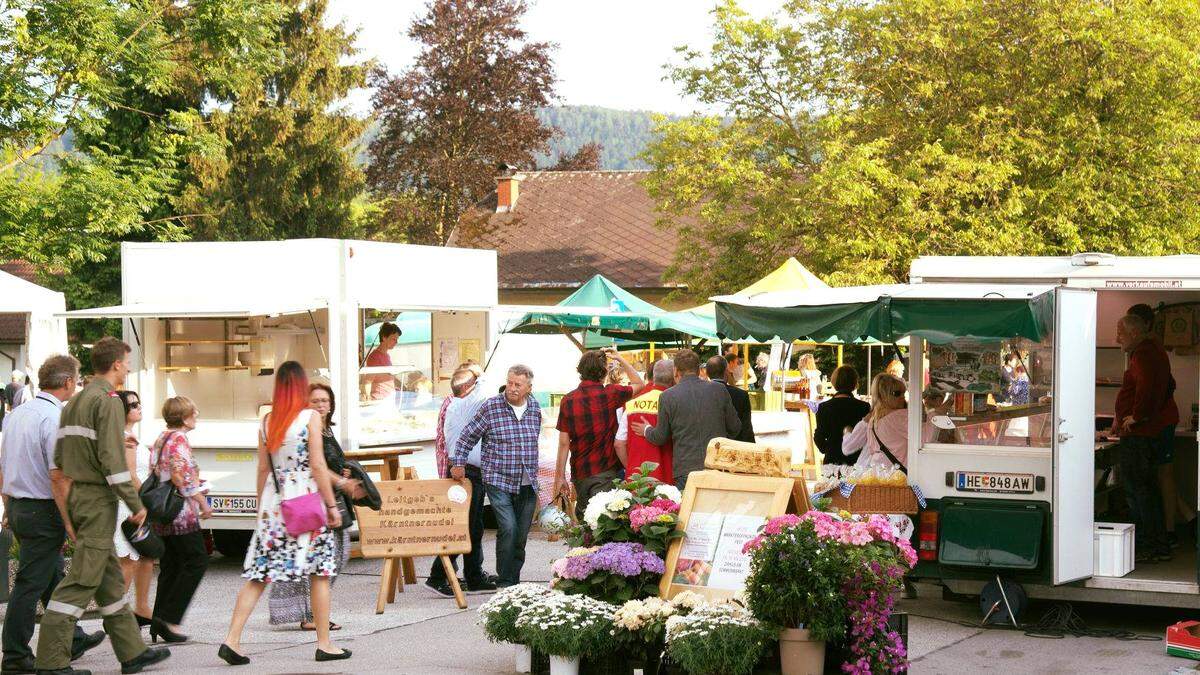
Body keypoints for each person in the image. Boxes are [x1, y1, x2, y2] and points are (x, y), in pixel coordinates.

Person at [35, 337, 171, 674]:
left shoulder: (74, 403)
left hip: (81, 496)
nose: (128, 367)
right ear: (115, 365)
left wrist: (69, 510)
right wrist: (135, 503)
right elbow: (112, 461)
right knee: (80, 582)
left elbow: (60, 459)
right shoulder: (109, 402)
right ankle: (51, 662)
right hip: (98, 500)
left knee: (109, 580)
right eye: (126, 362)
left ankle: (132, 652)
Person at [220, 361, 348, 666]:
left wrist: (260, 510)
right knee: (320, 571)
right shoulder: (310, 418)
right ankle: (324, 643)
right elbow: (317, 466)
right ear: (302, 387)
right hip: (304, 501)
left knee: (259, 575)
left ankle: (232, 639)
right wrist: (331, 506)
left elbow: (264, 468)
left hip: (274, 506)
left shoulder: (267, 421)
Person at [0, 355, 105, 674]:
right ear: (69, 382)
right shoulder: (56, 418)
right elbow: (59, 476)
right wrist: (71, 522)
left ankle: (71, 639)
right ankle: (16, 656)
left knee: (51, 575)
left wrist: (7, 507)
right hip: (43, 509)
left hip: (21, 505)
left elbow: (4, 465)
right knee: (31, 582)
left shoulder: (17, 414)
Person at [269, 384, 363, 629]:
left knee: (335, 558)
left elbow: (327, 463)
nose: (321, 405)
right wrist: (341, 481)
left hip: (334, 500)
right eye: (315, 401)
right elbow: (315, 466)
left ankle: (312, 613)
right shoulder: (308, 430)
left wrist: (342, 470)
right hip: (317, 502)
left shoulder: (326, 430)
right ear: (305, 405)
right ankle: (310, 616)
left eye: (325, 400)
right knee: (322, 562)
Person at [452, 365, 541, 588]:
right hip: (497, 479)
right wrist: (458, 463)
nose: (511, 388)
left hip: (527, 481)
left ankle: (513, 580)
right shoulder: (491, 407)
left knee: (520, 536)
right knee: (508, 528)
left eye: (517, 385)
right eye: (509, 383)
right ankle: (505, 582)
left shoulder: (535, 409)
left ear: (529, 388)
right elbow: (466, 436)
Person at [1128, 303, 1194, 548]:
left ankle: (1169, 531)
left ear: (1145, 324)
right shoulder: (1151, 348)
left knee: (1162, 474)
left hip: (1160, 421)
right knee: (1158, 474)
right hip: (1160, 421)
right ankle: (1183, 519)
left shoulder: (1149, 349)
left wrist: (1138, 415)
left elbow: (1161, 387)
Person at [427, 366, 497, 596]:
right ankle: (438, 575)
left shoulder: (455, 404)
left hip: (467, 471)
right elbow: (485, 387)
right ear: (468, 388)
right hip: (466, 473)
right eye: (474, 383)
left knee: (472, 526)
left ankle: (473, 575)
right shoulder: (465, 404)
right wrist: (479, 372)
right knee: (465, 527)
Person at [146, 397, 210, 644]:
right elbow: (180, 475)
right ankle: (169, 618)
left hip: (163, 513)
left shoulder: (162, 438)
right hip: (180, 513)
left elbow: (159, 470)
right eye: (194, 411)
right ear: (184, 417)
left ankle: (158, 619)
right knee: (197, 560)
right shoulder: (180, 439)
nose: (197, 413)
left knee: (171, 565)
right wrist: (202, 501)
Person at [631, 349, 741, 490]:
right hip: (718, 464)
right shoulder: (719, 390)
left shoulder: (668, 396)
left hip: (686, 469)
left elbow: (660, 437)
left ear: (675, 371)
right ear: (699, 370)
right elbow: (735, 427)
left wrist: (646, 429)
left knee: (688, 510)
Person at [554, 349, 644, 519]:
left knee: (586, 522)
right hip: (605, 470)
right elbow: (639, 384)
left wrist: (559, 477)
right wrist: (620, 358)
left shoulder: (568, 400)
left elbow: (564, 443)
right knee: (604, 523)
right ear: (603, 372)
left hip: (580, 472)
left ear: (581, 371)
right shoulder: (610, 394)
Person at [1113, 314, 1173, 563]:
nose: (1117, 338)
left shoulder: (1144, 354)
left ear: (1135, 333)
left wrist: (1137, 416)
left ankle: (1151, 545)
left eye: (1120, 333)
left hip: (1139, 435)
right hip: (1146, 432)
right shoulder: (1152, 351)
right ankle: (1156, 543)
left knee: (1139, 492)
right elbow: (1169, 385)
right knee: (1146, 490)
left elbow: (1148, 387)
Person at [114, 391, 155, 628]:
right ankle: (117, 614)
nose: (139, 407)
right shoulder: (124, 437)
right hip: (130, 504)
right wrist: (144, 499)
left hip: (133, 502)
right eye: (133, 405)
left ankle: (140, 608)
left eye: (139, 402)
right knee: (128, 561)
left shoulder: (129, 435)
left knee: (140, 557)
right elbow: (129, 474)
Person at [615, 359, 675, 482]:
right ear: (674, 377)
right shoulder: (675, 403)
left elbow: (619, 444)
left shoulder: (631, 404)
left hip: (637, 478)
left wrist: (631, 468)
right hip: (667, 476)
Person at [845, 373, 909, 470]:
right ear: (884, 395)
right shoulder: (900, 416)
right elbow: (925, 437)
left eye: (904, 393)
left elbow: (850, 446)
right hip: (894, 474)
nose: (902, 397)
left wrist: (847, 433)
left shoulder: (871, 419)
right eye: (897, 393)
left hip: (876, 471)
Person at [813, 365, 871, 466]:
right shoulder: (863, 407)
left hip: (832, 461)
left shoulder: (824, 407)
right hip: (856, 461)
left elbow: (819, 437)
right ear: (855, 383)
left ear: (834, 382)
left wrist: (829, 450)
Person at [707, 356, 755, 443]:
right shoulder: (741, 395)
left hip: (709, 447)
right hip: (735, 447)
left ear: (707, 373)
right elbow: (746, 428)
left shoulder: (701, 394)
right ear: (726, 372)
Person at [363, 322, 400, 401]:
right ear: (384, 338)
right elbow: (368, 381)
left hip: (389, 398)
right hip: (379, 400)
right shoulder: (374, 357)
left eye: (397, 339)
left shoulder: (387, 355)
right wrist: (368, 399)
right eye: (394, 339)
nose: (396, 342)